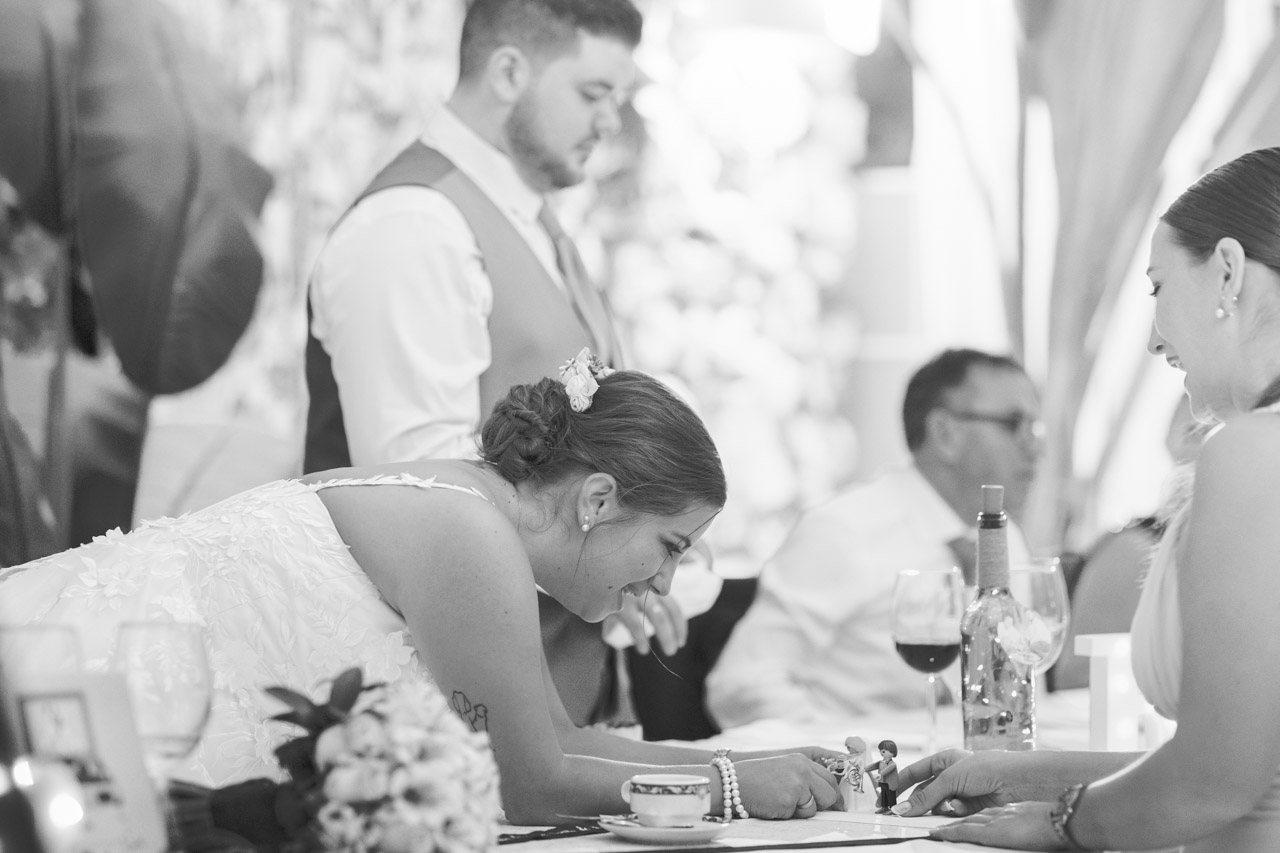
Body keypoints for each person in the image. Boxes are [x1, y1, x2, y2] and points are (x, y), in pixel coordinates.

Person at [0, 358, 845, 823]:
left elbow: (559, 739)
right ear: (597, 499)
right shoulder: (469, 534)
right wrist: (733, 789)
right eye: (670, 546)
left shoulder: (475, 513)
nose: (663, 581)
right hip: (61, 708)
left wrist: (749, 762)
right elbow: (527, 782)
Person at [894, 147, 1280, 852]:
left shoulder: (1253, 453)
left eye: (1158, 287)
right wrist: (1022, 776)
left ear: (1227, 270)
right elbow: (1247, 764)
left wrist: (1060, 823)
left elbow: (1215, 786)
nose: (1154, 338)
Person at [303, 0, 678, 726]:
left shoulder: (532, 223)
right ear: (508, 72)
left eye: (619, 98)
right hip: (438, 709)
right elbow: (420, 490)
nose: (610, 122)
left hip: (564, 684)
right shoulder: (414, 225)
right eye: (593, 93)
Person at [705, 348, 1042, 725]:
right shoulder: (845, 529)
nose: (1036, 446)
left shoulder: (1005, 538)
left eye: (1036, 426)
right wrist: (845, 752)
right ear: (944, 433)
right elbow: (740, 687)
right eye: (1014, 424)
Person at [865, 740, 899, 815]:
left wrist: (880, 774)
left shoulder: (892, 764)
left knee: (891, 796)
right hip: (883, 782)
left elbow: (888, 769)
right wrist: (865, 769)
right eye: (880, 751)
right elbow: (874, 766)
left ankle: (893, 809)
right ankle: (884, 807)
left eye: (883, 751)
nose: (881, 753)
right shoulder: (881, 762)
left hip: (890, 784)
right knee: (884, 795)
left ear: (892, 752)